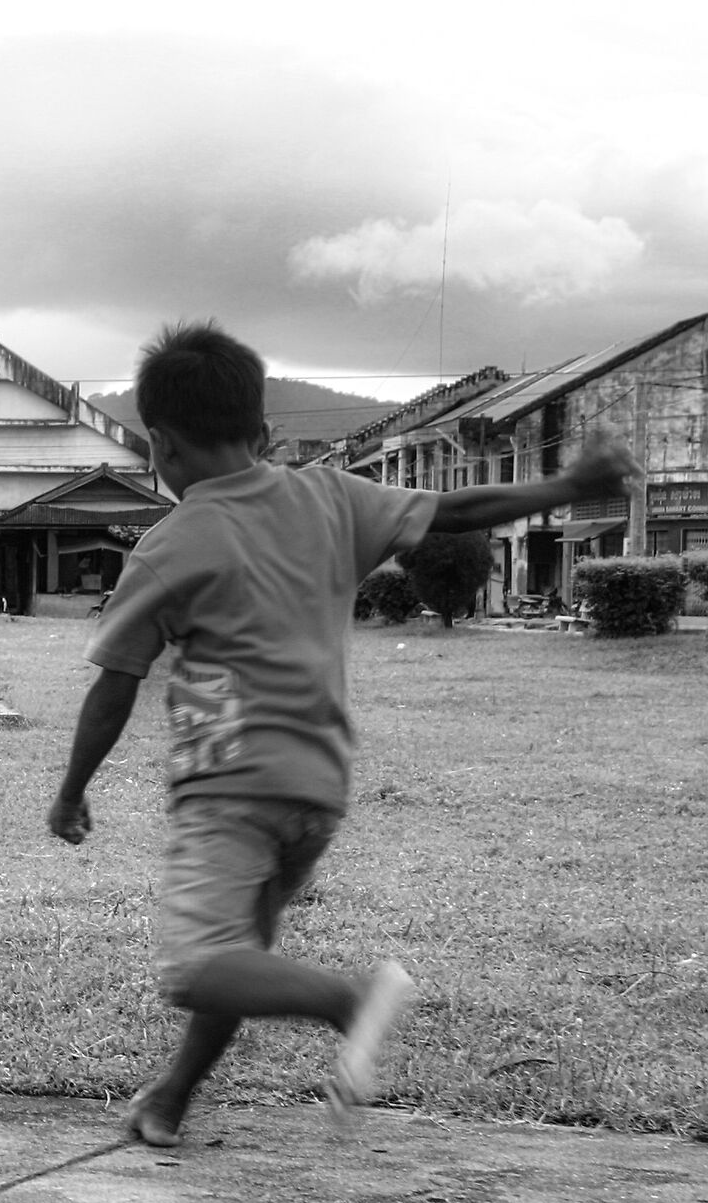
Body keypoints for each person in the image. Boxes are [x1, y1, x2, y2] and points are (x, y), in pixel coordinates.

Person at [49, 320, 641, 1148]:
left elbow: (115, 685)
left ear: (161, 444)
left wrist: (72, 793)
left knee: (196, 966)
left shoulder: (169, 545)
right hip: (317, 791)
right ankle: (171, 1098)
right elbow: (459, 509)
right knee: (243, 958)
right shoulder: (330, 498)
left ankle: (349, 999)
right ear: (262, 430)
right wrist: (567, 484)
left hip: (227, 789)